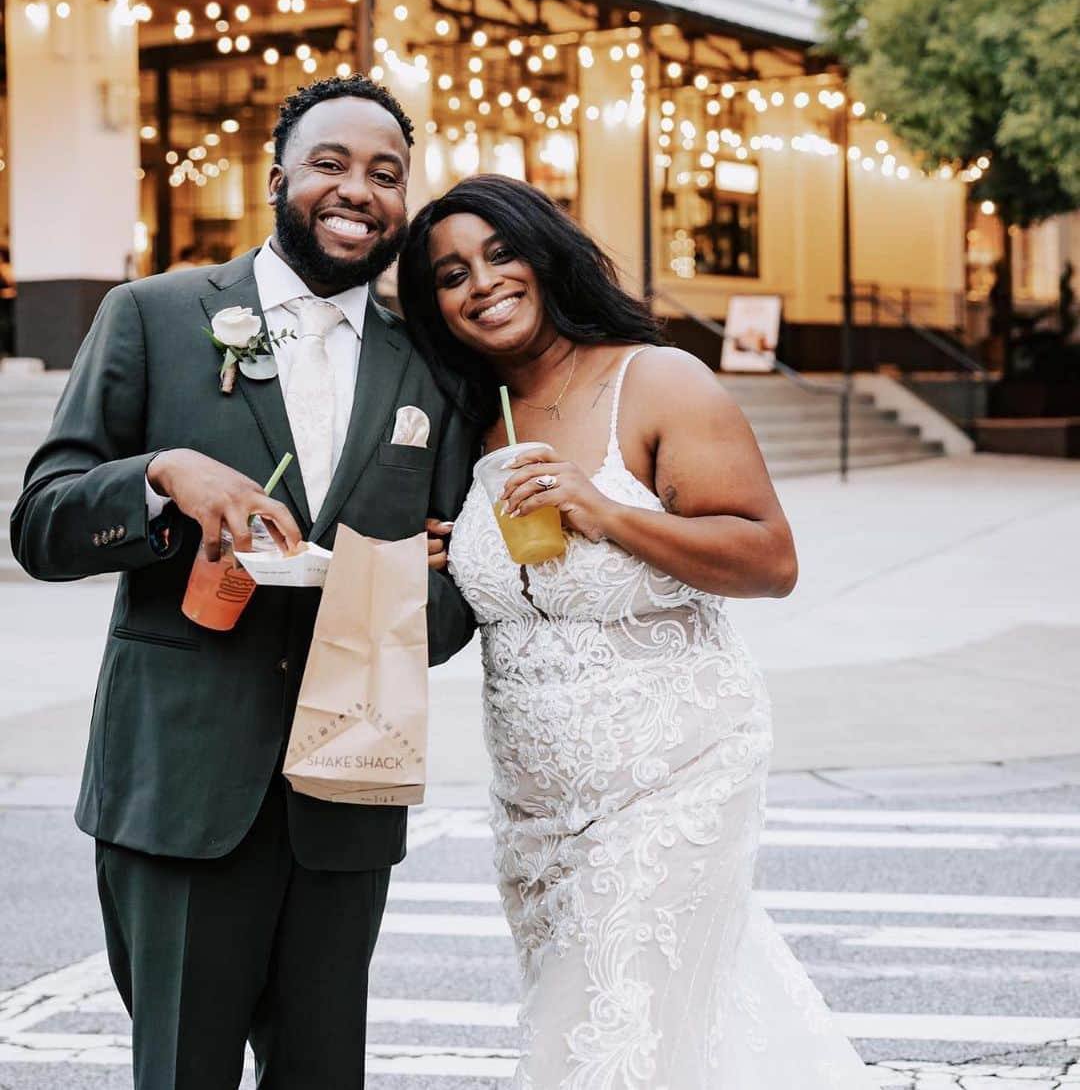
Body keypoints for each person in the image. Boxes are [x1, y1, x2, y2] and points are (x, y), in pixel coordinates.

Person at [10, 75, 476, 1090]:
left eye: (386, 173)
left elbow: (444, 616)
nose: (360, 189)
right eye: (331, 163)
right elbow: (41, 527)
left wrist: (404, 582)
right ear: (278, 180)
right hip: (179, 792)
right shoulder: (155, 315)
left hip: (344, 799)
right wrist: (162, 477)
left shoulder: (436, 373)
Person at [399, 175, 876, 1089]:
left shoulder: (654, 380)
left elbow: (769, 558)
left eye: (501, 253)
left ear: (546, 256)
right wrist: (450, 555)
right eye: (452, 273)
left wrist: (607, 513)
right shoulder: (471, 415)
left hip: (677, 774)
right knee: (652, 1020)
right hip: (536, 806)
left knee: (613, 1033)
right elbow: (517, 587)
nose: (483, 282)